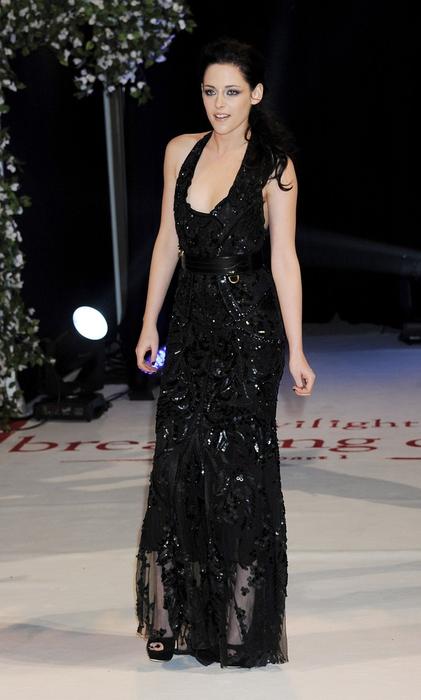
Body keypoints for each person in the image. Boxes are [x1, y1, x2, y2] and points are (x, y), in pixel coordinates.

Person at [134, 36, 316, 669]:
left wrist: (297, 347)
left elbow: (284, 259)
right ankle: (175, 619)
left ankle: (239, 625)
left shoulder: (274, 166)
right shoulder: (179, 151)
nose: (219, 103)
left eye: (232, 92)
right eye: (211, 91)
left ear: (255, 95)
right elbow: (167, 241)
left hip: (248, 332)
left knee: (238, 475)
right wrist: (150, 322)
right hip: (189, 327)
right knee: (177, 466)